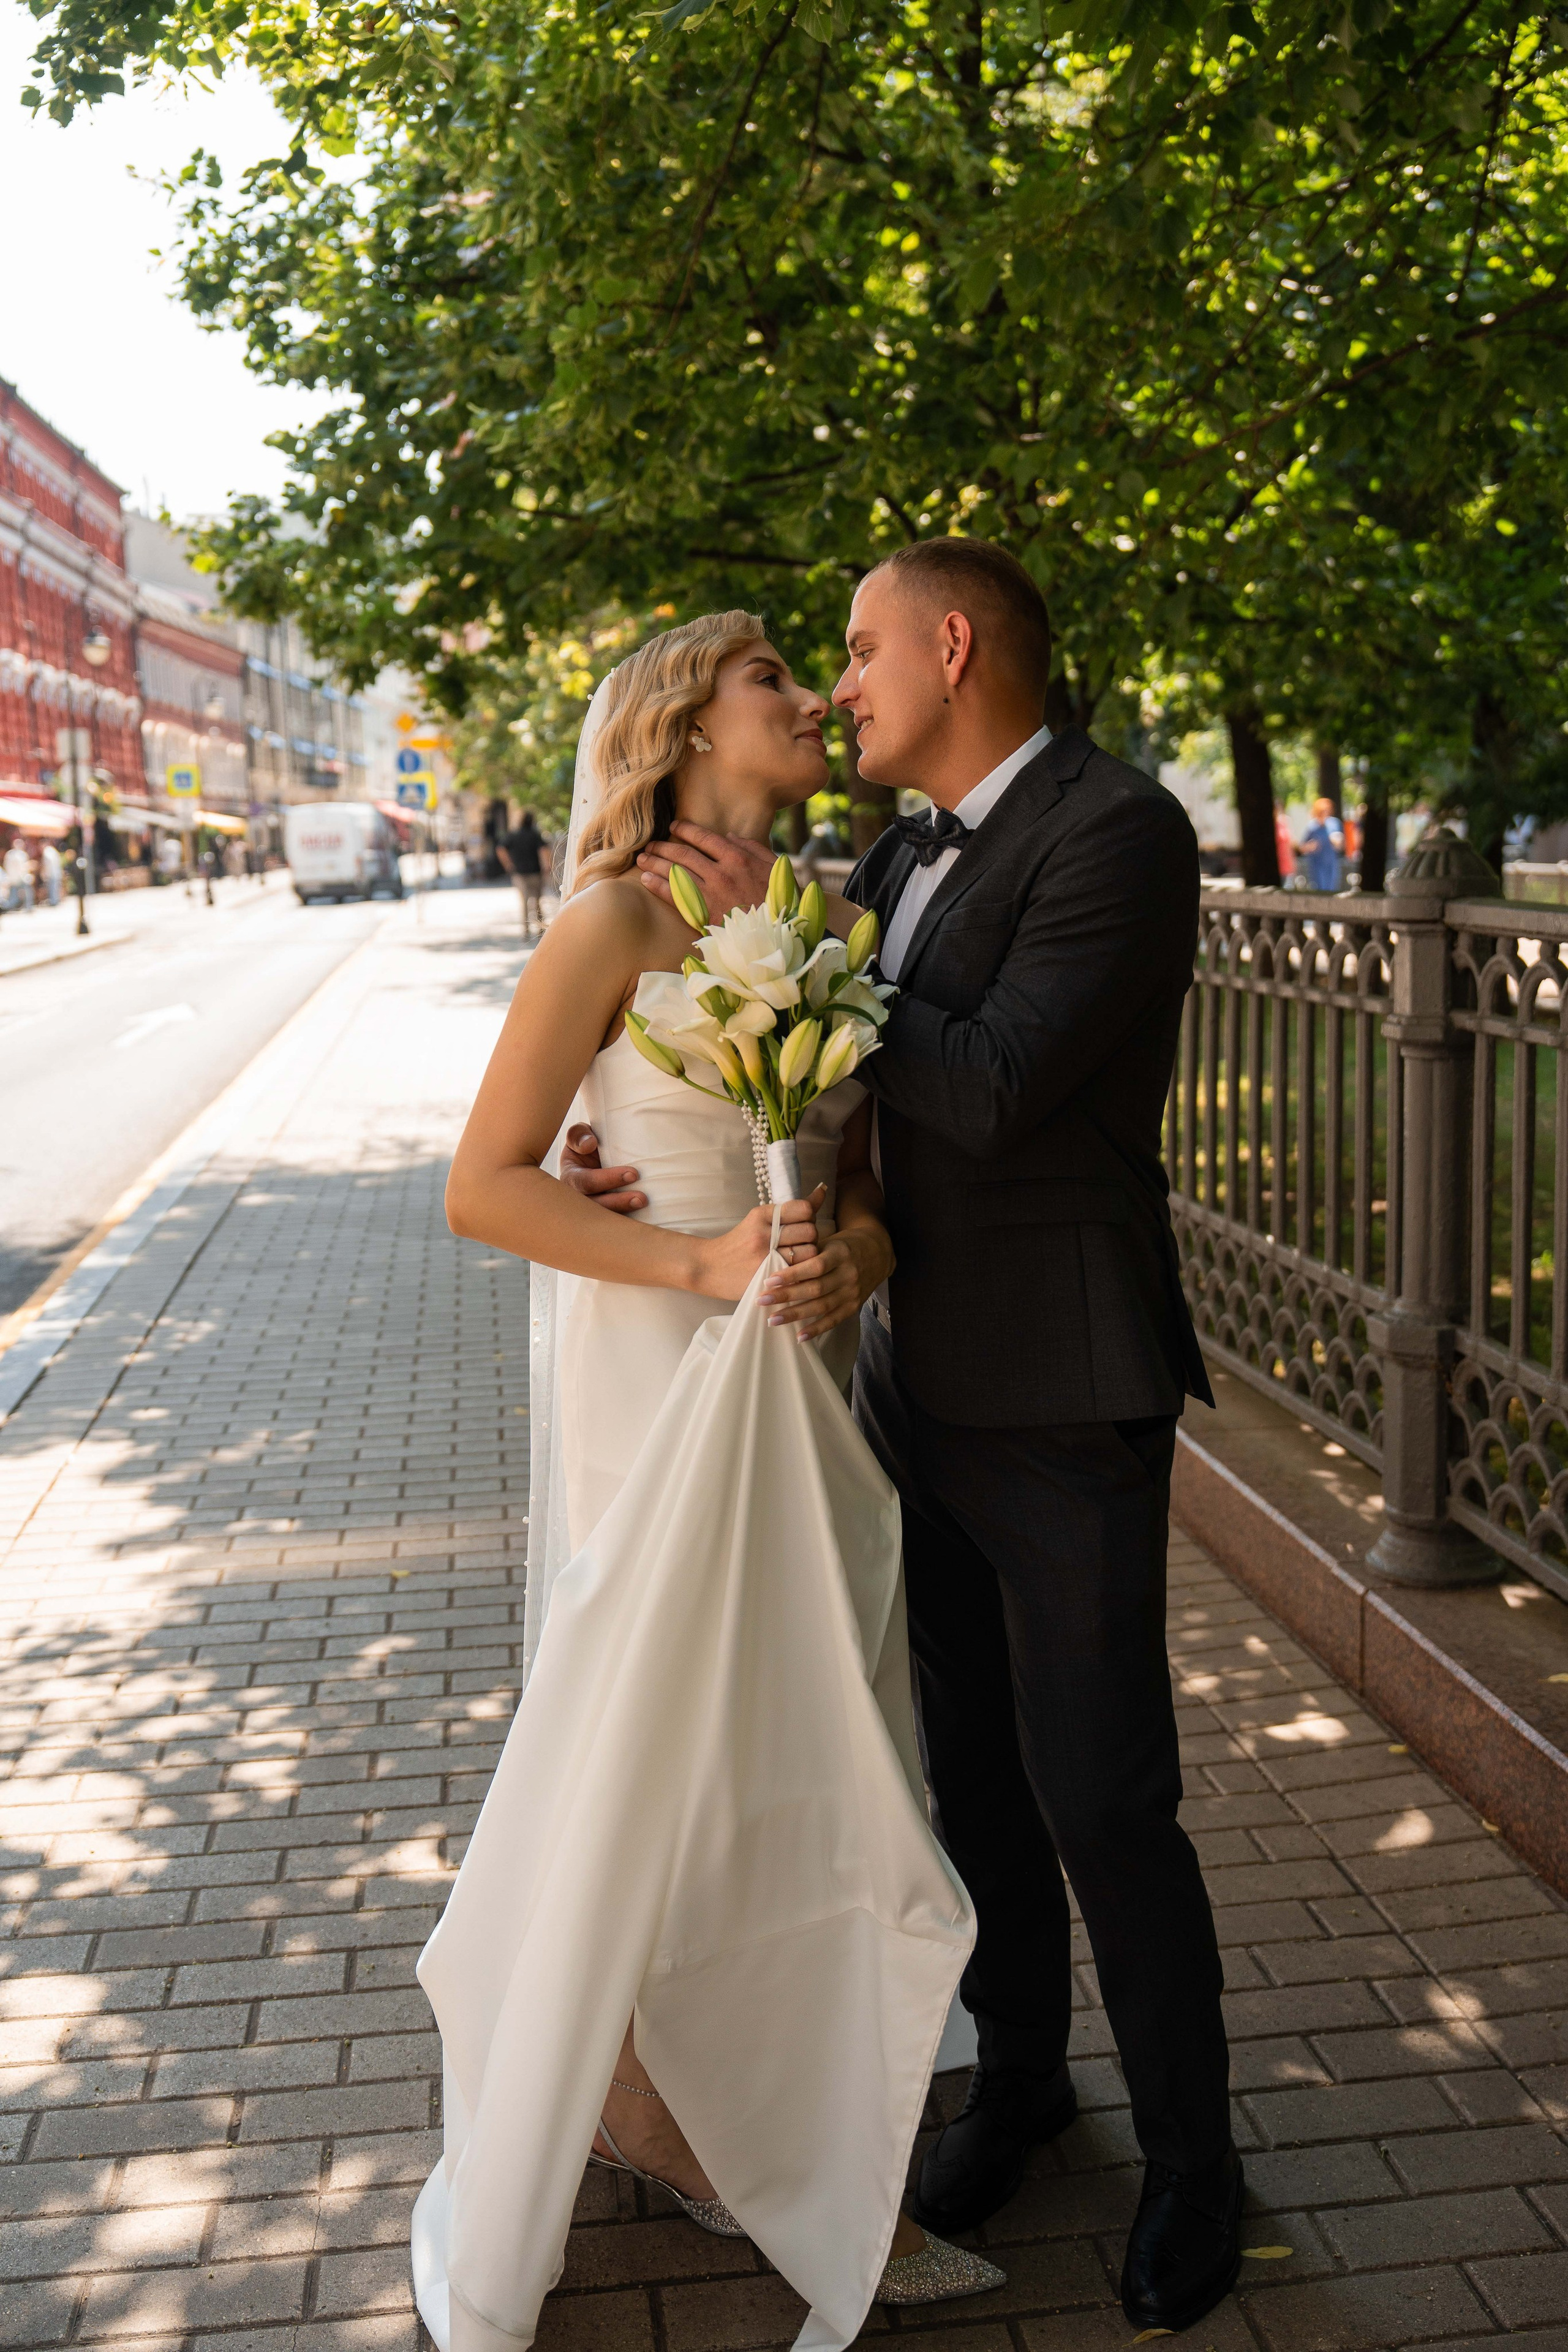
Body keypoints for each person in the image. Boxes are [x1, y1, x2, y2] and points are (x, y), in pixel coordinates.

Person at [625, 540, 1240, 2337]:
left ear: (951, 646)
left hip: (1063, 1393)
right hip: (913, 1379)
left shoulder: (1117, 832)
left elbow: (986, 1085)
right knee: (968, 1777)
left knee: (1102, 1790)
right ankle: (1024, 2080)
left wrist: (803, 945)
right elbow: (828, 1101)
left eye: (859, 650)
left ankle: (1195, 2164)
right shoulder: (894, 854)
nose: (839, 688)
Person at [411, 613, 997, 2352]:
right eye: (772, 682)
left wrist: (848, 1262)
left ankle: (735, 2090)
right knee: (668, 1734)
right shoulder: (609, 922)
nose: (812, 699)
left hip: (793, 1373)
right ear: (682, 727)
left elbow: (861, 1186)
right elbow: (483, 1183)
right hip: (656, 1363)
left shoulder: (819, 922)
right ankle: (654, 2106)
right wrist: (694, 1262)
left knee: (793, 1737)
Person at [497, 805, 548, 936]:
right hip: (535, 872)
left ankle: (526, 930)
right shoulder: (535, 835)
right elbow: (544, 850)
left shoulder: (513, 835)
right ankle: (540, 929)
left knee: (524, 902)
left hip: (519, 874)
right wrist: (547, 866)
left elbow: (500, 849)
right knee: (537, 901)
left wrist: (508, 864)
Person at [1299, 795, 1346, 891]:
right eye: (1322, 811)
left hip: (1331, 863)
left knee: (1332, 889)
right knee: (1320, 889)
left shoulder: (1335, 823)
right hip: (1317, 864)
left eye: (1327, 811)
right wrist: (1311, 846)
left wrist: (1338, 842)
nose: (1325, 813)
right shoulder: (1312, 827)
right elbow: (1302, 848)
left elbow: (1341, 846)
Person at [3, 837, 35, 911]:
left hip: (14, 878)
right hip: (20, 877)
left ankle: (11, 907)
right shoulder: (19, 855)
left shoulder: (10, 854)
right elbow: (24, 867)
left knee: (15, 893)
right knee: (25, 892)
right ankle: (27, 907)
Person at [39, 840, 62, 908]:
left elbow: (47, 864)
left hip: (51, 873)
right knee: (55, 887)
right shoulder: (53, 850)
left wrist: (44, 873)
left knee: (52, 888)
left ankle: (53, 902)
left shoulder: (47, 852)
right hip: (56, 872)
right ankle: (55, 901)